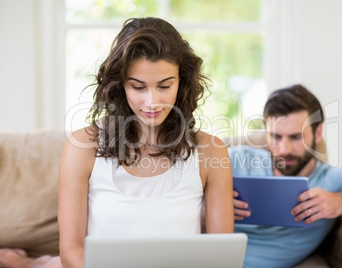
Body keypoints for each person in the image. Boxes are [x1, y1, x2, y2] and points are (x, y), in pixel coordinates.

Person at [0, 17, 234, 268]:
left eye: (165, 86)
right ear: (120, 85)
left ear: (182, 82)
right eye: (138, 87)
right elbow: (72, 251)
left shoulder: (212, 150)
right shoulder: (83, 146)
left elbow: (222, 256)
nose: (152, 101)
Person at [229, 84, 342, 267]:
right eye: (276, 137)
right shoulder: (237, 159)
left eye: (295, 137)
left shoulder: (334, 180)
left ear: (317, 133)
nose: (284, 149)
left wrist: (341, 201)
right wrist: (209, 208)